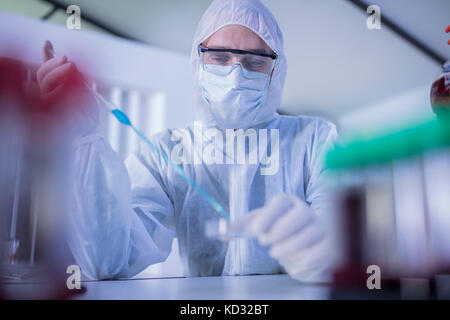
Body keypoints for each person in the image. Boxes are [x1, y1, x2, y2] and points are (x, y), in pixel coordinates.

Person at [36, 0, 338, 282]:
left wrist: (322, 245)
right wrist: (84, 136)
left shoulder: (314, 140)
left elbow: (343, 238)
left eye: (255, 61)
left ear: (277, 69)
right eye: (220, 58)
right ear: (198, 61)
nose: (235, 75)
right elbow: (106, 262)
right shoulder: (163, 155)